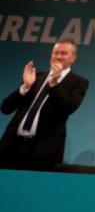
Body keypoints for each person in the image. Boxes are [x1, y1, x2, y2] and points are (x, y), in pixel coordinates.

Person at [0, 39, 89, 171]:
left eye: (64, 53)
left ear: (73, 58)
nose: (58, 56)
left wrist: (54, 85)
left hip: (43, 151)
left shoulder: (79, 82)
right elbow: (5, 108)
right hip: (12, 145)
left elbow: (68, 108)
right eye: (55, 53)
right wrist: (25, 87)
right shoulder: (36, 77)